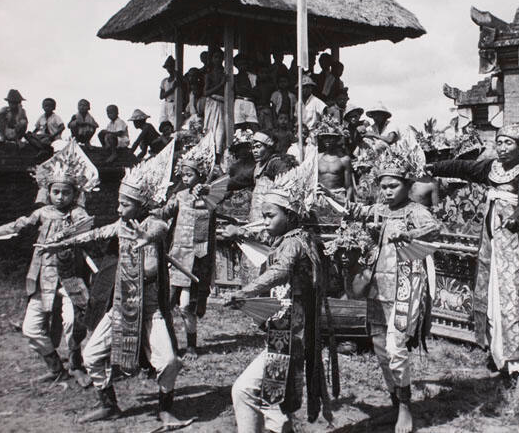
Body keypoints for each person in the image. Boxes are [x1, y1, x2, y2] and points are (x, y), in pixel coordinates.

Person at [39, 145, 192, 428]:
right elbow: (93, 234)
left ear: (142, 205)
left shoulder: (153, 222)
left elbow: (159, 230)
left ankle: (165, 409)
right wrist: (59, 243)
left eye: (125, 204)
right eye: (119, 203)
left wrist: (146, 236)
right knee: (91, 356)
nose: (118, 209)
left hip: (149, 311)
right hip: (121, 309)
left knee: (169, 362)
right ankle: (108, 405)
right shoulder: (121, 225)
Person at [430, 123, 519, 400]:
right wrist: (433, 168)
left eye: (508, 143)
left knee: (515, 303)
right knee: (492, 301)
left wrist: (514, 220)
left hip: (517, 247)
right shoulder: (491, 167)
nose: (502, 147)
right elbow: (462, 168)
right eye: (499, 142)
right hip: (492, 246)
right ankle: (500, 361)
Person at [323, 142, 440, 433]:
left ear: (407, 184)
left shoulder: (414, 210)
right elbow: (354, 210)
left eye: (393, 185)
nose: (387, 191)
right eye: (384, 186)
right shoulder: (380, 209)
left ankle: (406, 407)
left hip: (406, 288)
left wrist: (408, 232)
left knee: (395, 347)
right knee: (379, 348)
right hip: (377, 286)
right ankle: (395, 402)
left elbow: (434, 228)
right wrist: (327, 196)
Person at [229, 146, 336, 433]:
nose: (265, 221)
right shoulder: (294, 237)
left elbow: (281, 271)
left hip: (288, 337)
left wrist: (246, 292)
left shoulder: (292, 243)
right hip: (289, 332)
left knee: (251, 394)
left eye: (269, 215)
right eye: (263, 215)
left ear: (290, 215)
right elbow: (262, 237)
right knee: (273, 402)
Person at [0, 141, 98, 386]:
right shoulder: (42, 213)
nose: (60, 197)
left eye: (66, 192)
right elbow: (20, 224)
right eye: (56, 192)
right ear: (48, 192)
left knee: (73, 321)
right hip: (42, 277)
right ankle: (55, 367)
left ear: (75, 193)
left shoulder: (79, 215)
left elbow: (88, 232)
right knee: (31, 329)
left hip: (70, 278)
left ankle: (76, 364)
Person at [153, 134, 216, 360]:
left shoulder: (209, 196)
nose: (186, 178)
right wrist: (152, 211)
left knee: (187, 306)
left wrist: (206, 192)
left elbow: (214, 206)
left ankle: (191, 345)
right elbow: (166, 212)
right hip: (176, 256)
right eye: (184, 175)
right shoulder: (179, 195)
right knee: (166, 303)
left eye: (191, 175)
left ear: (200, 175)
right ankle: (168, 343)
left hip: (196, 259)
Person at [315, 118, 354, 224]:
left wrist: (348, 202)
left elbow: (349, 186)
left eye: (331, 138)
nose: (327, 141)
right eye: (325, 138)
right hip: (321, 197)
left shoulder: (344, 159)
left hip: (338, 196)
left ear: (337, 140)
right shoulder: (317, 158)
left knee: (338, 227)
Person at [204, 48, 227, 151]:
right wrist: (221, 84)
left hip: (223, 104)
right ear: (212, 59)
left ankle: (218, 154)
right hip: (212, 103)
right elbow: (206, 92)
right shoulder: (209, 75)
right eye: (215, 57)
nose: (218, 60)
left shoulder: (226, 72)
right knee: (210, 130)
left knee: (221, 132)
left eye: (220, 57)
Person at [233, 53, 259, 131]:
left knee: (254, 126)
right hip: (239, 102)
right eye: (239, 64)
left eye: (244, 63)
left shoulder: (253, 77)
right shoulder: (235, 77)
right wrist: (247, 90)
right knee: (238, 126)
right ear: (236, 65)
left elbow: (255, 92)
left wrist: (245, 90)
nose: (242, 66)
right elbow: (237, 90)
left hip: (250, 102)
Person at [159, 56, 178, 124]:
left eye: (170, 66)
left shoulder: (177, 80)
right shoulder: (164, 81)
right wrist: (172, 89)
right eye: (168, 67)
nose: (169, 69)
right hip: (166, 103)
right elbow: (161, 96)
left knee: (173, 122)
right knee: (164, 122)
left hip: (174, 104)